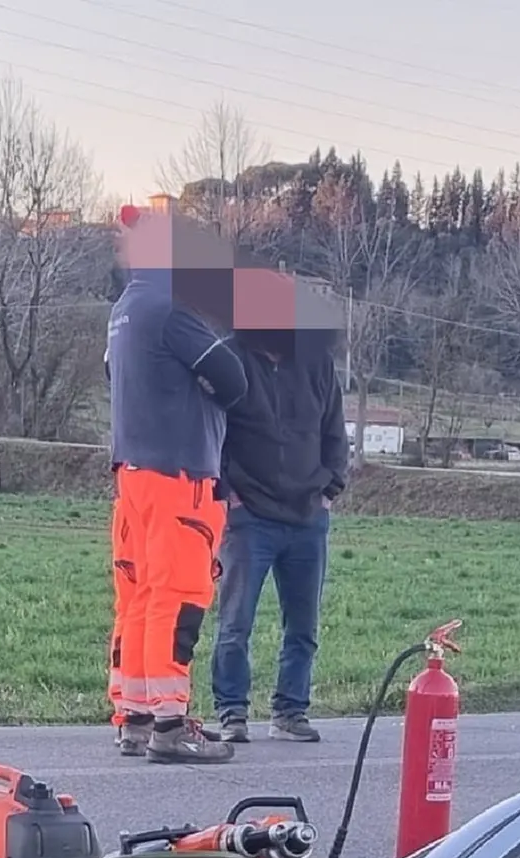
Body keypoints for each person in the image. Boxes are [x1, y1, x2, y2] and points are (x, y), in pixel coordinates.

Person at [107, 203, 254, 765]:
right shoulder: (172, 310)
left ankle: (135, 717)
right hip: (179, 479)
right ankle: (171, 723)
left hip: (133, 477)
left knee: (139, 598)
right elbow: (234, 380)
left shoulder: (125, 309)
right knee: (178, 597)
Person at [211, 285, 349, 747]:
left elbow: (334, 429)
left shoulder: (315, 362)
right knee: (235, 624)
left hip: (309, 514)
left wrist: (331, 487)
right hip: (249, 516)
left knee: (303, 626)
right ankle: (231, 712)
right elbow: (213, 432)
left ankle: (291, 711)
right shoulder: (229, 359)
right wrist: (227, 494)